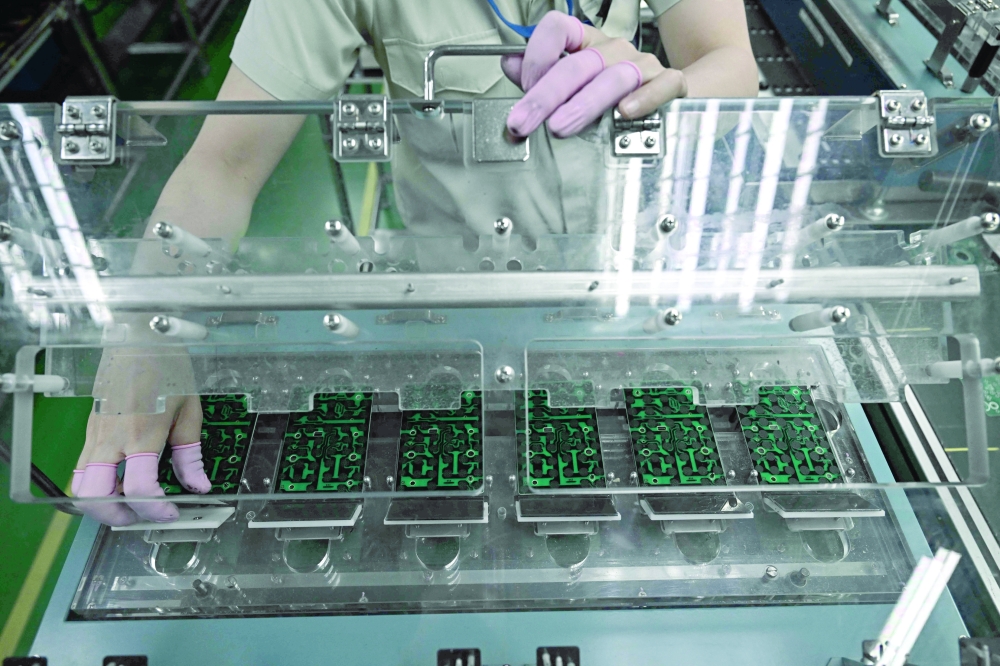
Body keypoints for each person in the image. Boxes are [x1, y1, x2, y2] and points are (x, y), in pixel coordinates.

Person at [73, 0, 757, 525]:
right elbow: (223, 165)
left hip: (626, 281)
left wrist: (662, 87)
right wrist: (142, 328)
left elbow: (730, 61)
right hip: (451, 303)